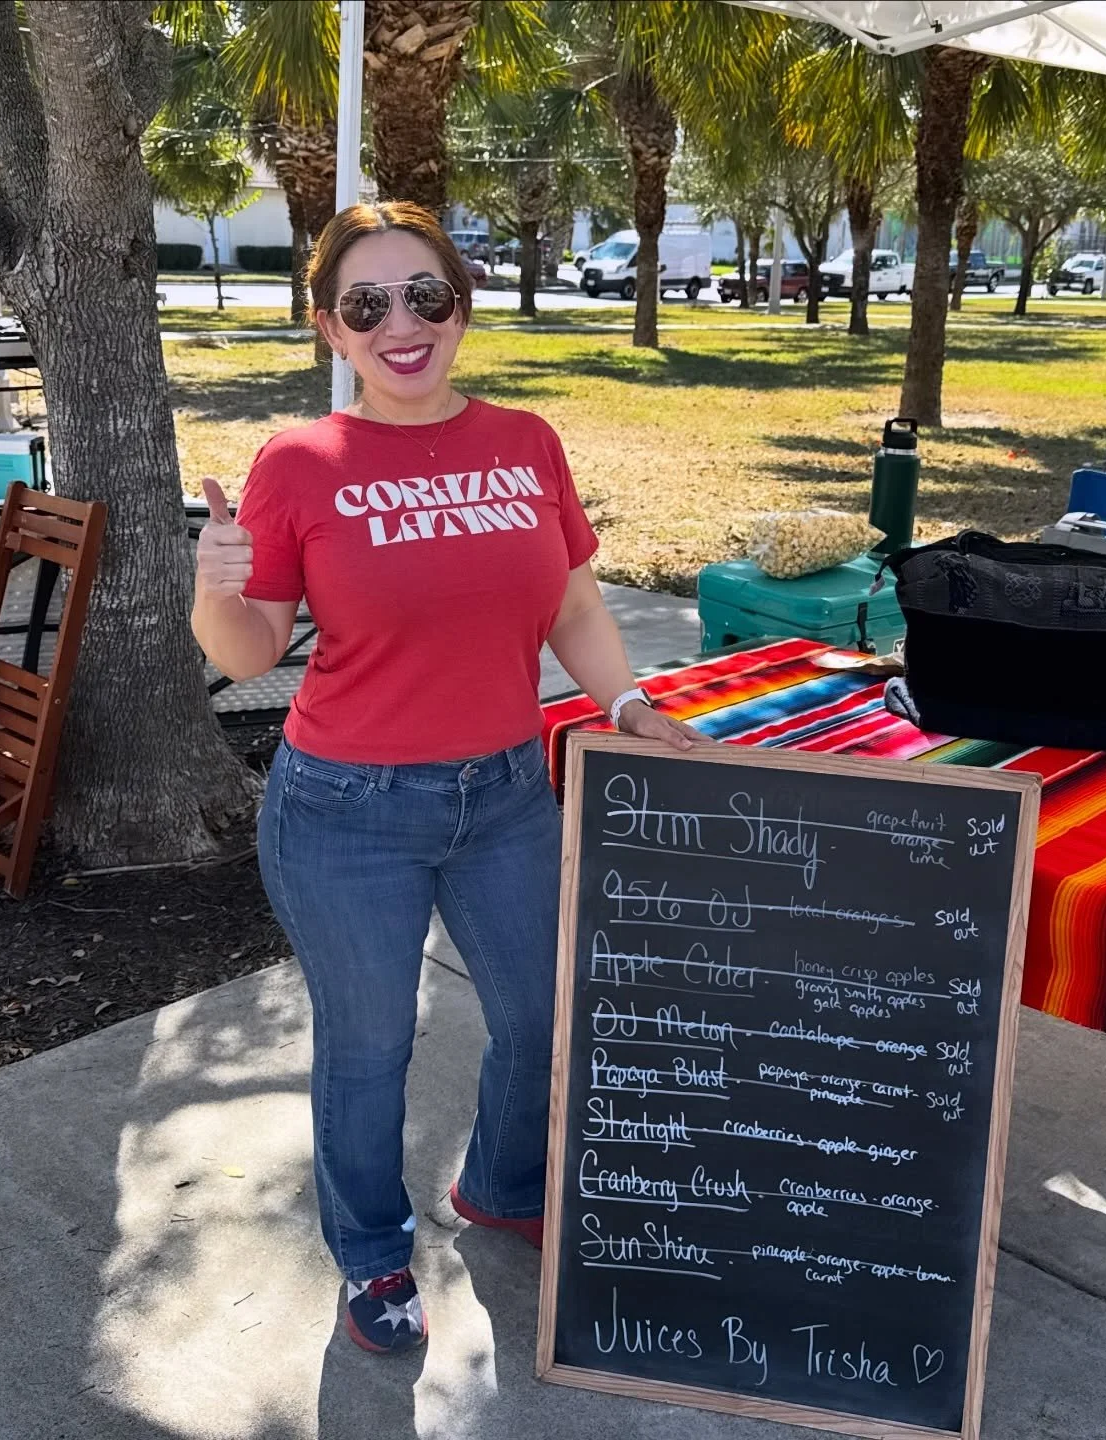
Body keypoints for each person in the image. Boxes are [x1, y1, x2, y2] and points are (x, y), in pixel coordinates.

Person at [190, 201, 700, 1357]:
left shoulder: (525, 441)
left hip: (508, 792)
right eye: (366, 305)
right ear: (331, 329)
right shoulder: (298, 462)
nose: (401, 324)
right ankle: (371, 1251)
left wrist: (625, 704)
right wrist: (213, 585)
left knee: (541, 1012)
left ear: (460, 302)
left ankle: (504, 1184)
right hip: (346, 811)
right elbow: (251, 651)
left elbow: (570, 601)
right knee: (371, 1046)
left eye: (425, 294)